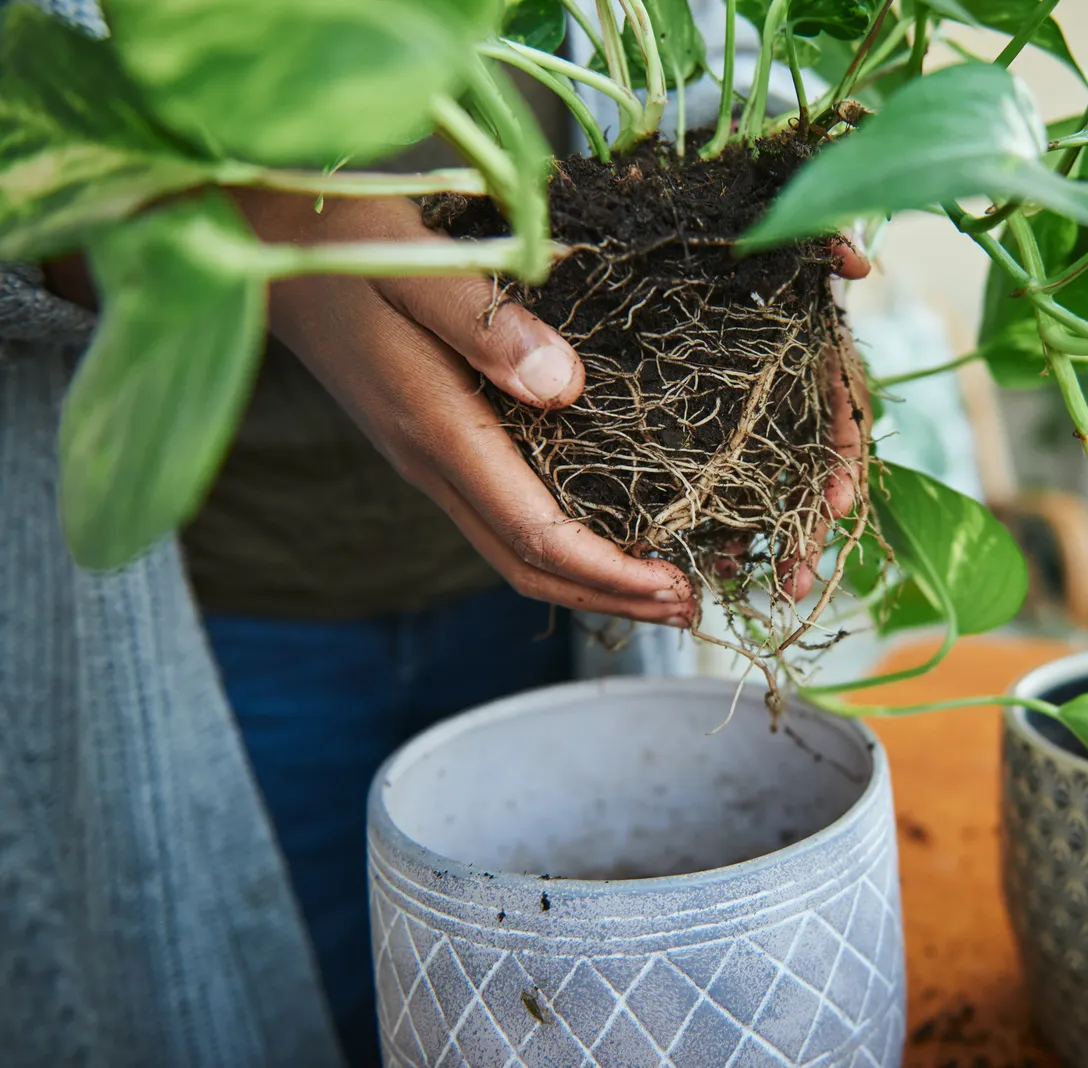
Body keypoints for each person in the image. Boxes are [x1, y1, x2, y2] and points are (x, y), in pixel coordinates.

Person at [1, 3, 867, 1066]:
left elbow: (724, 49)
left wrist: (766, 215)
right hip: (229, 597)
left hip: (540, 604)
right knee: (286, 1024)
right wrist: (254, 211)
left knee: (566, 1016)